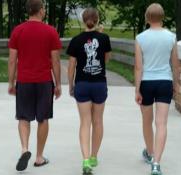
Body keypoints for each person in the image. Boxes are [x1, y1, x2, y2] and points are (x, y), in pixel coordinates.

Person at [7, 0, 62, 172]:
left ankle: (24, 149)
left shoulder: (18, 31)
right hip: (44, 81)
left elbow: (12, 60)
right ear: (39, 11)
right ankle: (39, 157)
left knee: (23, 117)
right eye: (44, 8)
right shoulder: (50, 31)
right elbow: (56, 60)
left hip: (24, 81)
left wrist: (11, 82)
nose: (45, 11)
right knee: (43, 118)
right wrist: (58, 83)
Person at [134, 3, 180, 175]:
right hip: (164, 82)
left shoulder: (140, 38)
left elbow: (138, 67)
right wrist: (175, 85)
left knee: (147, 121)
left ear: (147, 18)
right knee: (161, 123)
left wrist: (137, 89)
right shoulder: (171, 37)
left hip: (146, 83)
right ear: (163, 17)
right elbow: (175, 65)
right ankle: (156, 163)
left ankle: (150, 152)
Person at [66, 8, 112, 175]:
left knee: (85, 122)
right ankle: (93, 156)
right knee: (98, 120)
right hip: (99, 84)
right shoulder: (104, 38)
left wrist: (70, 85)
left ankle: (85, 159)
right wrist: (100, 35)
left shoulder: (76, 40)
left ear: (83, 20)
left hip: (82, 84)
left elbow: (71, 66)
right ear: (97, 20)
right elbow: (106, 59)